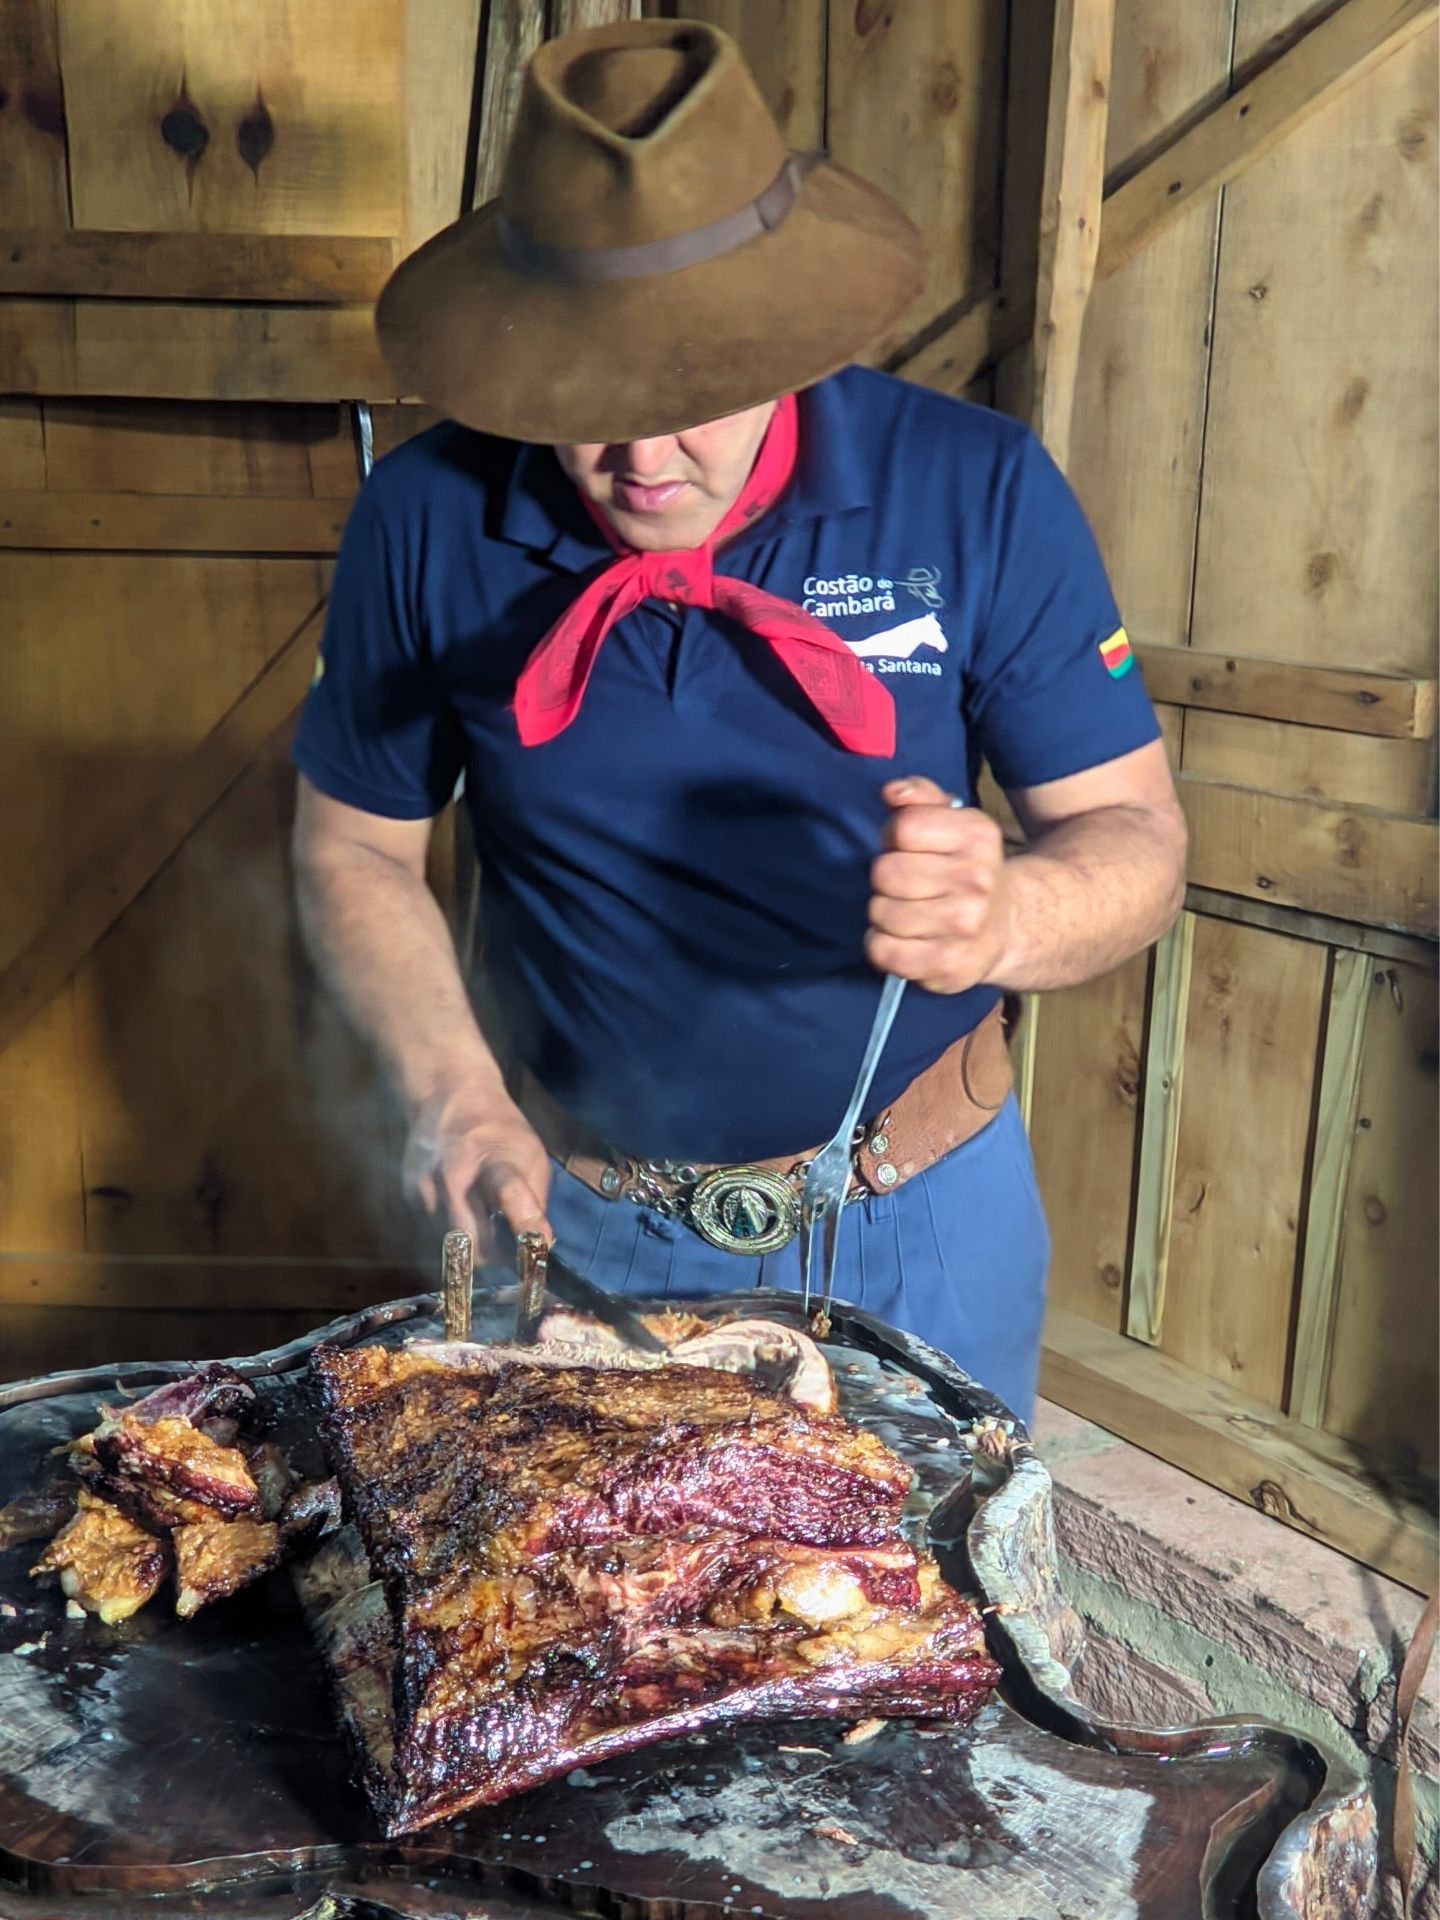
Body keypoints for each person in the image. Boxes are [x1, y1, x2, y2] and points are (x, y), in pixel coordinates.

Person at [291, 18, 1186, 1421]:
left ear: (783, 331)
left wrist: (1007, 919)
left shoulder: (976, 488)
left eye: (693, 392)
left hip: (916, 1217)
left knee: (930, 1634)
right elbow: (354, 849)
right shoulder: (423, 519)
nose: (641, 459)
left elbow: (1134, 837)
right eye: (584, 400)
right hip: (577, 1230)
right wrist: (452, 1088)